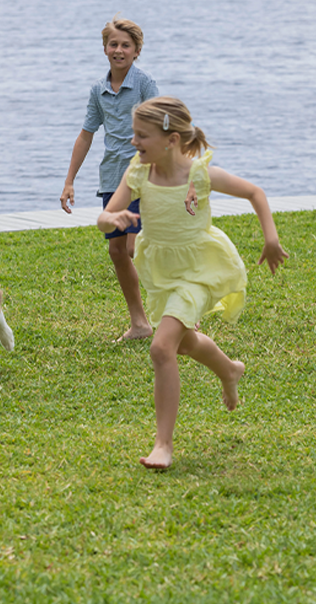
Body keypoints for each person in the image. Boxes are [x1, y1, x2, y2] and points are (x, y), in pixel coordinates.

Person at [97, 96, 288, 469]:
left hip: (199, 268)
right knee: (183, 344)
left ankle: (163, 445)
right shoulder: (137, 171)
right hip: (161, 269)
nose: (134, 142)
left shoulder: (200, 174)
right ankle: (229, 370)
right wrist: (112, 219)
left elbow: (255, 193)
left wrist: (271, 238)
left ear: (170, 139)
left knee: (161, 347)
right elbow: (104, 218)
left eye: (141, 135)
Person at [60, 15, 158, 341]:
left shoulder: (144, 85)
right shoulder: (97, 91)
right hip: (111, 181)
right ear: (104, 48)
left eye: (125, 45)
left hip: (144, 176)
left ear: (136, 51)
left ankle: (182, 314)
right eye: (113, 44)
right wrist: (69, 180)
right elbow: (85, 136)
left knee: (137, 248)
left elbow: (165, 127)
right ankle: (141, 324)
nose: (119, 50)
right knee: (118, 252)